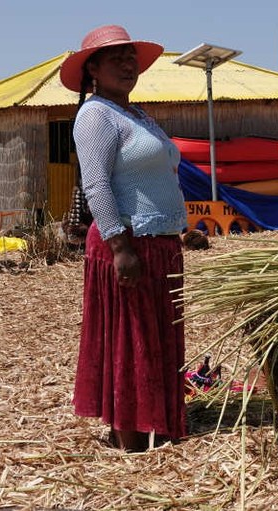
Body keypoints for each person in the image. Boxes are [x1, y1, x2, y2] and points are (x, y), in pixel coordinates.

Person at [60, 25, 188, 451]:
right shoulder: (95, 115)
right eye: (115, 57)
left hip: (159, 242)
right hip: (129, 243)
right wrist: (120, 247)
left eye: (131, 56)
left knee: (157, 339)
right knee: (131, 341)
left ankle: (159, 423)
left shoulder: (137, 115)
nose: (127, 64)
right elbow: (95, 185)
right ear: (92, 68)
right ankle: (129, 436)